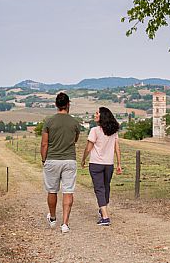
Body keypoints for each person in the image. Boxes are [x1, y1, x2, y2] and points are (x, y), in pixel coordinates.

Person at [41, 92, 80, 233]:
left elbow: (44, 144)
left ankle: (52, 218)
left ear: (56, 105)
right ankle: (65, 224)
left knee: (52, 190)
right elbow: (75, 140)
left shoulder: (49, 122)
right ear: (68, 104)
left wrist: (44, 160)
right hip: (69, 160)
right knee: (68, 191)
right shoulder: (75, 122)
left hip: (52, 159)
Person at [81, 107, 122, 226]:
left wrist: (83, 159)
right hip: (109, 164)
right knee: (106, 187)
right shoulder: (113, 131)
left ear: (102, 116)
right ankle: (103, 208)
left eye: (97, 113)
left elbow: (88, 148)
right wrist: (119, 163)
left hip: (96, 164)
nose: (95, 114)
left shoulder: (94, 130)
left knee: (99, 189)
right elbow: (117, 148)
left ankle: (105, 217)